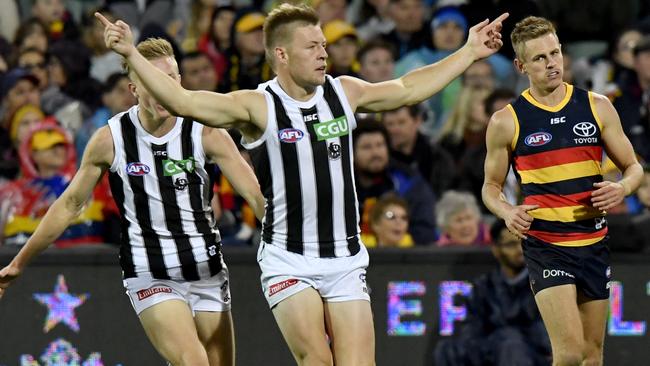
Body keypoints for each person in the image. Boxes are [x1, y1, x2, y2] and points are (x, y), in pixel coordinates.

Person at [95, 5, 507, 364]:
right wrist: (131, 52)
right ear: (282, 54)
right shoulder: (256, 106)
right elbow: (186, 102)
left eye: (324, 45)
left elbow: (409, 87)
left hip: (345, 258)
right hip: (288, 260)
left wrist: (468, 52)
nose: (323, 53)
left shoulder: (345, 92)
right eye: (312, 47)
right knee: (316, 358)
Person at [0, 38, 265, 366]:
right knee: (194, 361)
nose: (163, 88)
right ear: (134, 88)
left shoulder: (205, 132)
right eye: (153, 81)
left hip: (207, 271)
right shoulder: (110, 140)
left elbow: (254, 194)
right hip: (150, 272)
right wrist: (18, 262)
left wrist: (290, 241)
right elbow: (69, 205)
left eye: (170, 79)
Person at [482, 16, 644, 366]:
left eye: (555, 53)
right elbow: (490, 188)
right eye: (539, 58)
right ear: (520, 65)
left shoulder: (597, 105)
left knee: (592, 356)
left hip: (593, 242)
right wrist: (507, 211)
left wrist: (622, 188)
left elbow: (635, 167)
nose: (552, 63)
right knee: (569, 354)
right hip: (547, 246)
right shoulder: (507, 121)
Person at [432, 219, 551, 365]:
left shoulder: (543, 283)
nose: (520, 250)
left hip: (533, 354)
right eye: (511, 245)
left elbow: (545, 337)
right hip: (494, 351)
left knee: (510, 343)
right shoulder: (484, 287)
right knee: (446, 350)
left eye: (523, 242)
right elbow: (471, 334)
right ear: (496, 250)